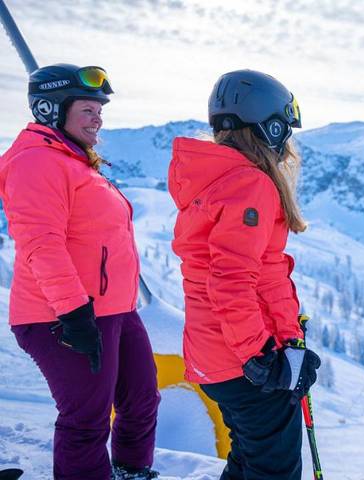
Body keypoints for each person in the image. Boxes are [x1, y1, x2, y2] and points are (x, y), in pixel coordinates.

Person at [0, 64, 160, 479]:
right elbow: (41, 243)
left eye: (99, 110)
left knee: (141, 398)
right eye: (88, 109)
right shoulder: (35, 162)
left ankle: (130, 471)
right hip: (60, 315)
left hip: (114, 309)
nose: (98, 118)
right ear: (52, 110)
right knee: (86, 417)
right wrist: (73, 313)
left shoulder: (73, 161)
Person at [169, 69, 321, 480]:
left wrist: (287, 337)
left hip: (217, 356)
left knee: (250, 462)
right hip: (242, 361)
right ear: (269, 127)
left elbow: (260, 274)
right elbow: (231, 280)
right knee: (273, 471)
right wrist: (261, 356)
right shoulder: (248, 184)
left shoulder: (215, 181)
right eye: (283, 128)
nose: (286, 140)